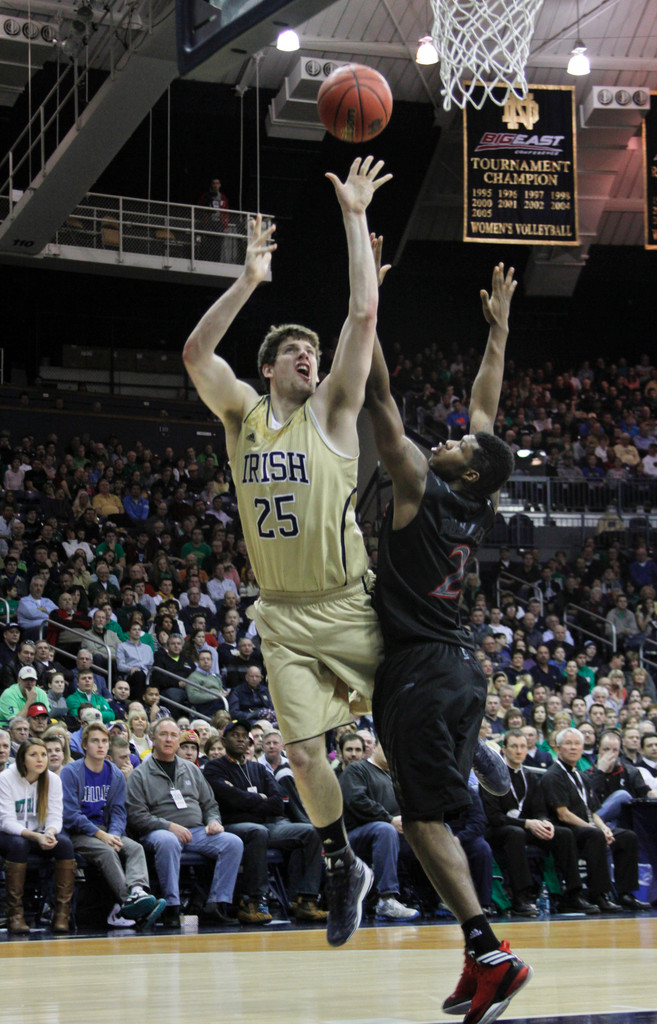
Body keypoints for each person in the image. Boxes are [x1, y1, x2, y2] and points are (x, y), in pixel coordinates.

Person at [183, 156, 391, 948]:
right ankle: (341, 865)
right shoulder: (242, 416)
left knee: (404, 729)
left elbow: (362, 316)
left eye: (313, 349)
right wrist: (247, 281)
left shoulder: (332, 409)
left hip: (347, 603)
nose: (309, 356)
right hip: (281, 615)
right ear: (268, 367)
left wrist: (353, 218)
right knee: (303, 757)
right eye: (295, 350)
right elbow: (196, 355)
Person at [364, 255, 530, 1022]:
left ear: (465, 475)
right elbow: (484, 410)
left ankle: (490, 954)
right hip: (461, 669)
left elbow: (379, 398)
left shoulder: (418, 487)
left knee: (421, 818)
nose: (450, 440)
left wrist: (365, 308)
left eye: (459, 447)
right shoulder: (477, 498)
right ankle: (476, 955)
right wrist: (497, 332)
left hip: (422, 670)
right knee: (430, 812)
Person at [204, 719, 327, 924]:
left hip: (267, 826)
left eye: (244, 736)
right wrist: (259, 799)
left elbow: (278, 803)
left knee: (311, 832)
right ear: (224, 741)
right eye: (235, 735)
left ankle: (305, 899)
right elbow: (228, 799)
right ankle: (253, 901)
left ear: (250, 742)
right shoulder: (214, 768)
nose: (241, 740)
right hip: (233, 827)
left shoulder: (259, 769)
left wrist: (245, 799)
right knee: (257, 831)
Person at [125, 717, 244, 927]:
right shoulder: (140, 774)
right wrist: (169, 826)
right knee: (168, 841)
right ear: (153, 738)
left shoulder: (191, 769)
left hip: (197, 832)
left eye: (173, 735)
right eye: (163, 735)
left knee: (233, 842)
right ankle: (171, 907)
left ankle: (216, 904)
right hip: (159, 832)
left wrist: (213, 821)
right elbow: (136, 816)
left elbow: (209, 804)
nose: (169, 740)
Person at [61, 721, 166, 928]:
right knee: (107, 852)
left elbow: (119, 810)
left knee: (135, 848)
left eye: (104, 741)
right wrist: (102, 836)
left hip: (108, 830)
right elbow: (70, 815)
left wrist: (115, 834)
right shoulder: (71, 772)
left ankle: (138, 891)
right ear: (84, 745)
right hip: (79, 832)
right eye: (95, 741)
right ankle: (127, 901)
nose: (100, 745)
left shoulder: (115, 774)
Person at [481, 729, 599, 915]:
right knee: (515, 833)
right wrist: (528, 823)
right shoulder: (491, 778)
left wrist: (544, 822)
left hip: (525, 827)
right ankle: (521, 897)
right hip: (498, 830)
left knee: (563, 833)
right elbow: (494, 817)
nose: (519, 751)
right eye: (514, 746)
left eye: (523, 747)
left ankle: (573, 894)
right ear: (504, 750)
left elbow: (540, 810)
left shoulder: (530, 776)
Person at [540, 727, 650, 912]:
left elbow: (594, 811)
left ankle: (625, 894)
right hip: (566, 830)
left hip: (587, 827)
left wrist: (603, 827)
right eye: (568, 744)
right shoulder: (553, 775)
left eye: (577, 744)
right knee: (595, 836)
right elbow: (563, 813)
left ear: (582, 748)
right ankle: (599, 895)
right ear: (558, 748)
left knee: (627, 837)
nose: (573, 748)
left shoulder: (580, 775)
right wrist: (595, 829)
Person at [339, 739, 420, 921]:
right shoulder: (357, 769)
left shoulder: (397, 777)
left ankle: (440, 898)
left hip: (390, 834)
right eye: (387, 747)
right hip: (354, 836)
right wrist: (389, 819)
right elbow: (356, 801)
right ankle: (386, 900)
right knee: (385, 830)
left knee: (433, 833)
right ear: (375, 747)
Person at [0, 737, 76, 932]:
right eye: (33, 755)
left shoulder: (53, 780)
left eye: (43, 754)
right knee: (19, 844)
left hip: (40, 834)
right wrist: (36, 837)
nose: (40, 759)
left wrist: (49, 833)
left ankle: (61, 915)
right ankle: (15, 915)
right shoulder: (6, 778)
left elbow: (55, 816)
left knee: (65, 844)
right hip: (8, 835)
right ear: (22, 759)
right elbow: (6, 822)